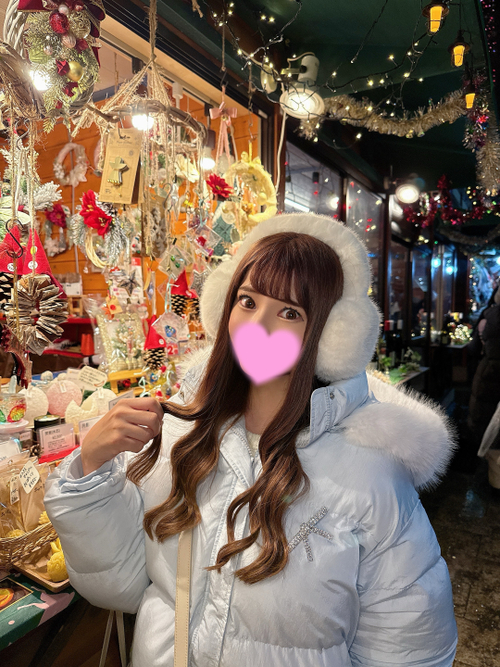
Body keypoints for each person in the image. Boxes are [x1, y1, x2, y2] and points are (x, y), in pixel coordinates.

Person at [45, 213, 458, 667]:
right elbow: (120, 582)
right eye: (247, 301)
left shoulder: (369, 470)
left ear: (331, 336)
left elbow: (408, 645)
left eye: (289, 312)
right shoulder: (182, 431)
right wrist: (90, 471)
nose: (258, 325)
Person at [468, 285, 500, 490]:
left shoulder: (489, 315)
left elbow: (474, 347)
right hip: (491, 373)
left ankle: (488, 473)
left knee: (485, 419)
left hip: (488, 371)